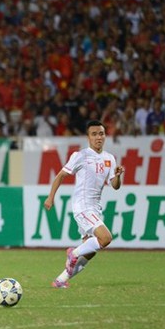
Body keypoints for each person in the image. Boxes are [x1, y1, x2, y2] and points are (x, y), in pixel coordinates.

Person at [44, 120, 125, 289]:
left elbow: (115, 186)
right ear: (88, 137)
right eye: (94, 134)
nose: (98, 137)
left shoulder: (109, 158)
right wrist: (50, 197)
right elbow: (60, 176)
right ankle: (72, 253)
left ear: (105, 136)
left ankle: (60, 280)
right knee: (106, 238)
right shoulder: (80, 156)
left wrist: (117, 176)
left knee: (90, 252)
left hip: (95, 208)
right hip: (82, 206)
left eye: (101, 133)